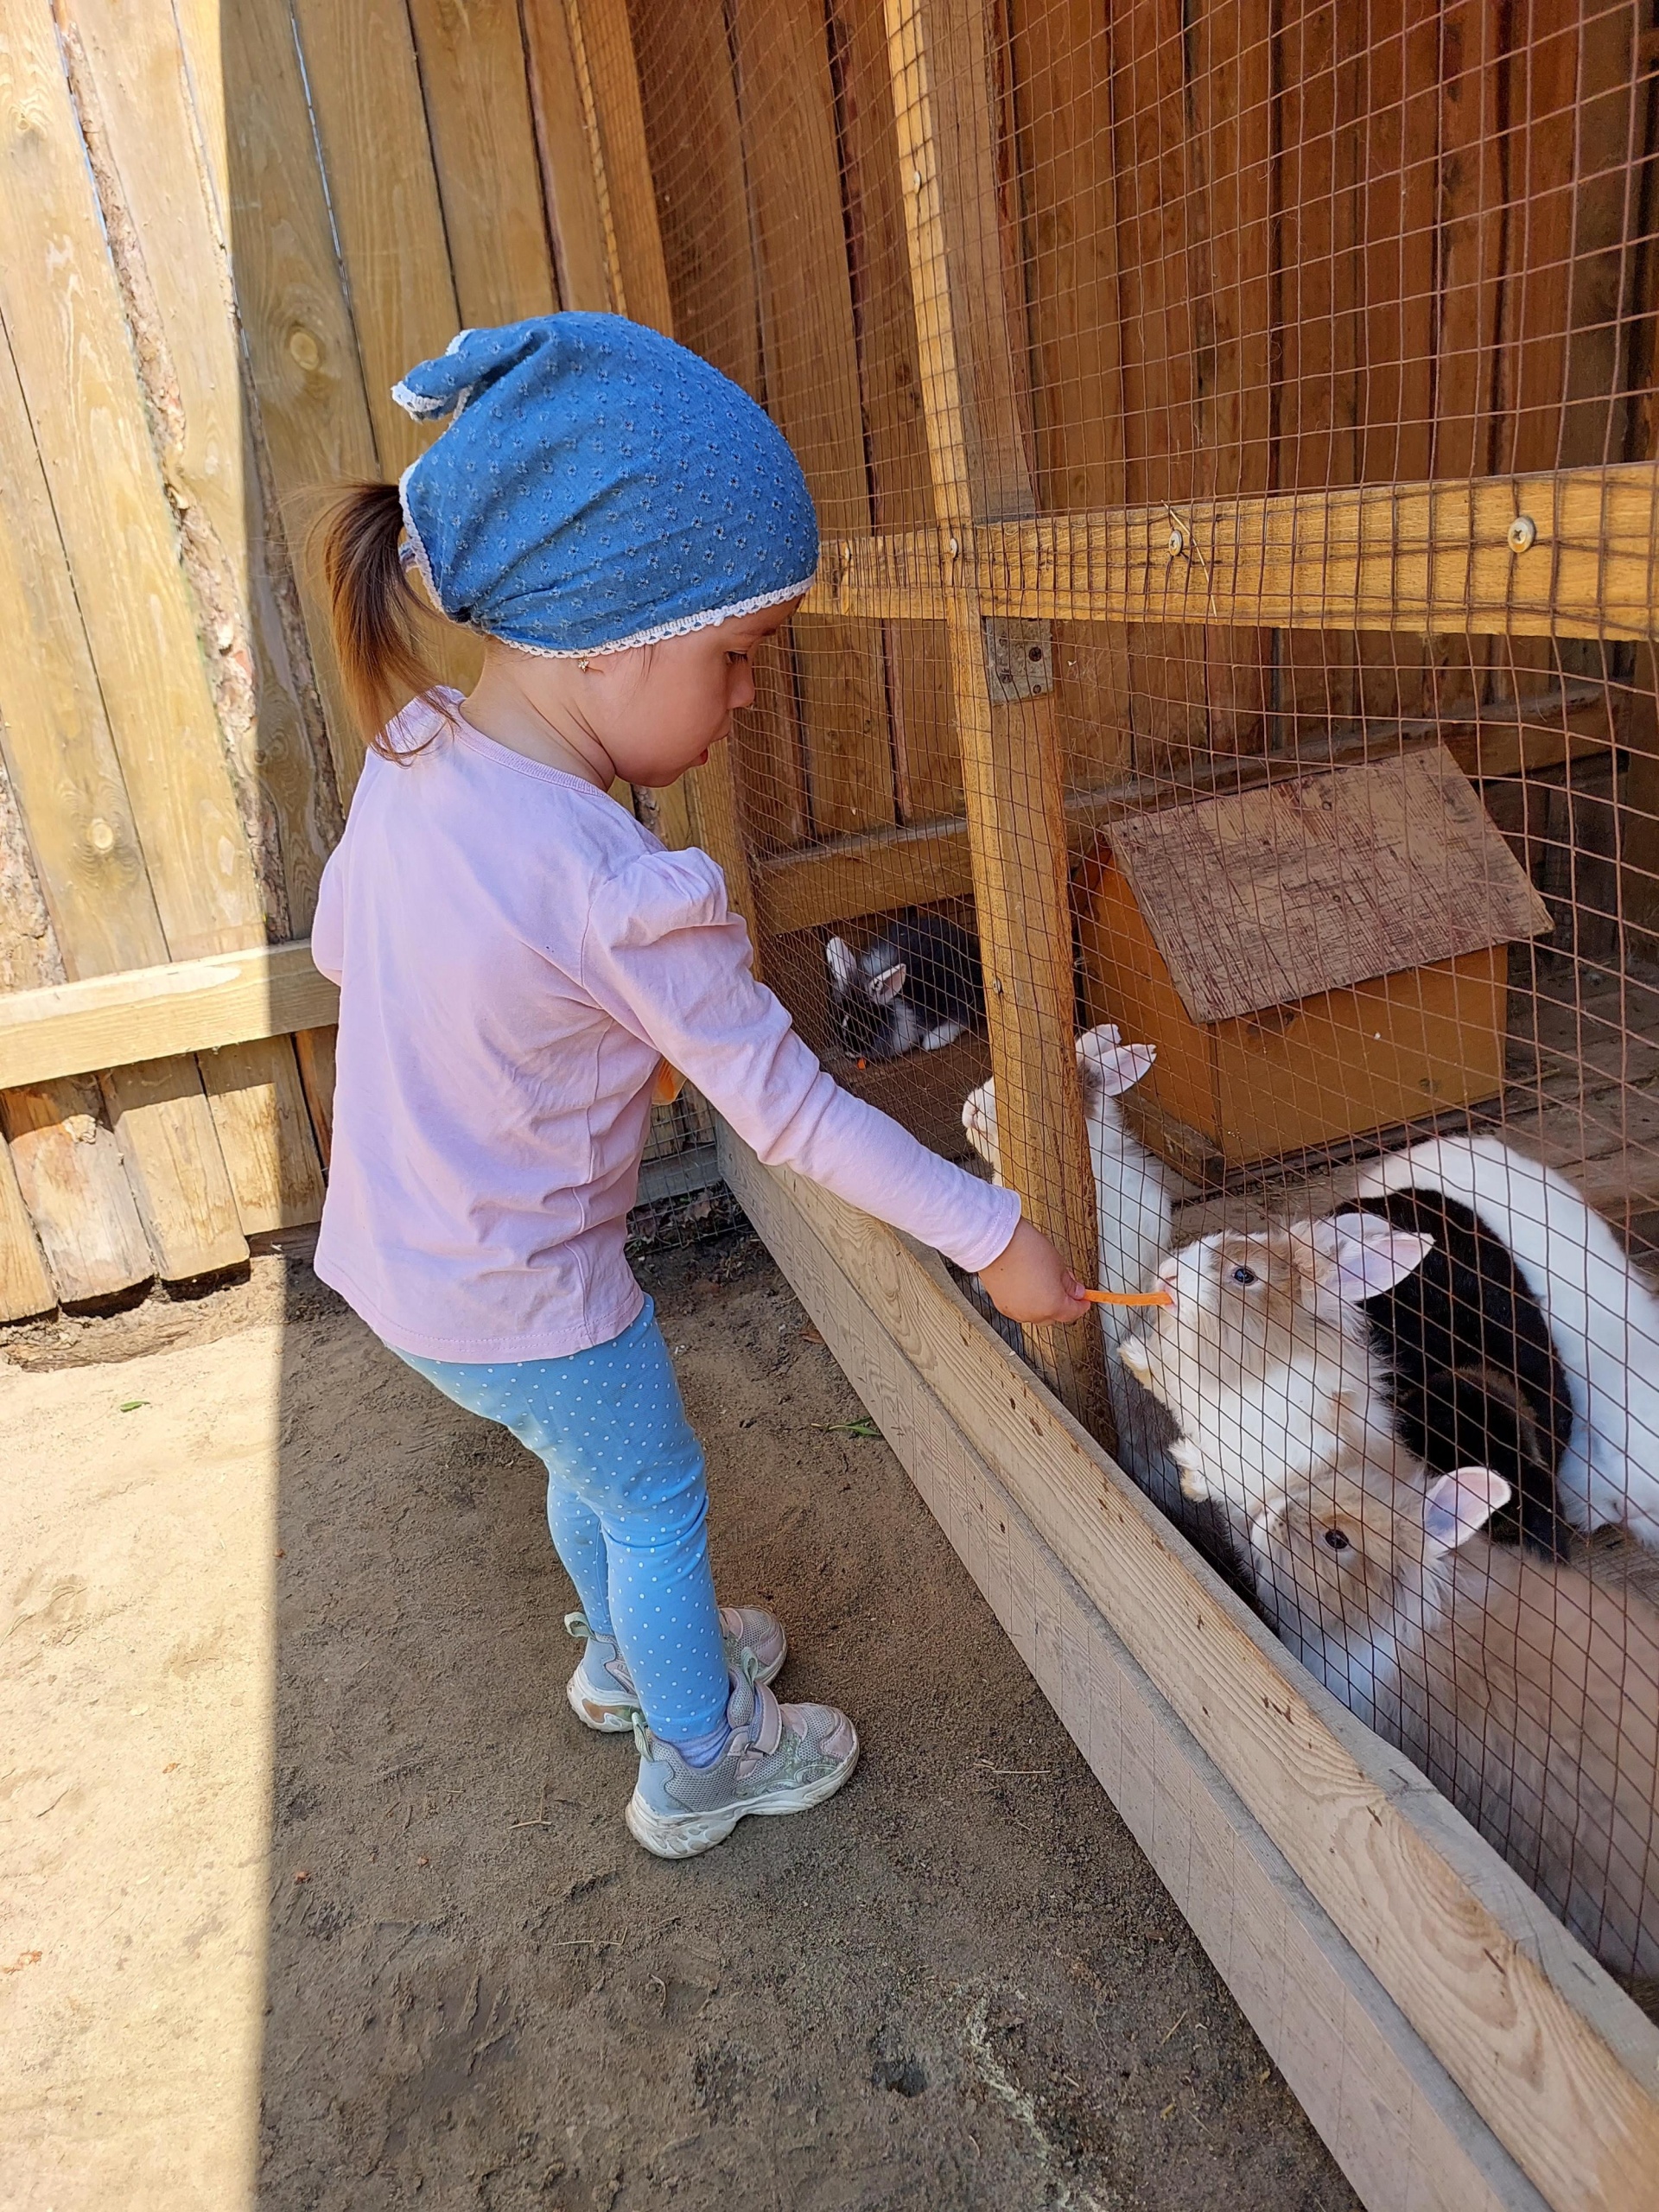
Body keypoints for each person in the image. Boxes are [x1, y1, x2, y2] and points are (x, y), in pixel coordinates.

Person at [309, 315, 1090, 1859]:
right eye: (735, 658)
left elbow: (355, 952)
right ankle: (698, 1757)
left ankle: (622, 1659)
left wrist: (576, 1034)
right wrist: (994, 1232)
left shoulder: (413, 758)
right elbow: (790, 1111)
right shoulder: (616, 886)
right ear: (612, 637)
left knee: (583, 1469)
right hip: (530, 1290)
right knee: (656, 1493)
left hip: (400, 1268)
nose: (742, 702)